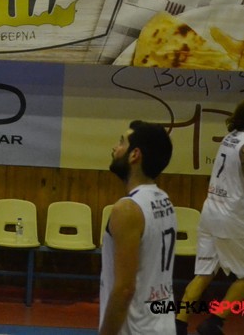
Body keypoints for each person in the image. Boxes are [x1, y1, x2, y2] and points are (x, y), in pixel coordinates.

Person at [176, 98, 244, 335]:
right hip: (231, 217)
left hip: (210, 212)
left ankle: (179, 324)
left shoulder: (230, 137)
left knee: (204, 273)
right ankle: (214, 322)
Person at [100, 120, 177, 335]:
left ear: (135, 155)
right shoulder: (165, 200)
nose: (115, 148)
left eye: (121, 142)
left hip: (137, 329)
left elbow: (125, 289)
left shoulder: (127, 209)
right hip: (163, 325)